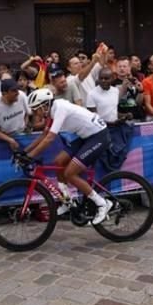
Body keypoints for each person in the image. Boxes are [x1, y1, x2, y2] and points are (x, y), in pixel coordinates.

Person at [23, 89, 113, 225]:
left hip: (98, 136)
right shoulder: (51, 113)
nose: (35, 114)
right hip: (86, 136)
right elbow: (43, 135)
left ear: (44, 105)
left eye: (36, 110)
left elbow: (50, 139)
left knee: (70, 173)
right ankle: (67, 200)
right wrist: (24, 152)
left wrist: (30, 156)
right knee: (58, 161)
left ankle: (102, 203)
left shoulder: (60, 108)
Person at [0, 79, 28, 151]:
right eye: (13, 91)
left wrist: (25, 126)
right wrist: (9, 140)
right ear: (4, 93)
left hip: (22, 136)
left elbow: (28, 113)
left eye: (17, 90)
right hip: (4, 140)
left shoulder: (21, 96)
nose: (17, 93)